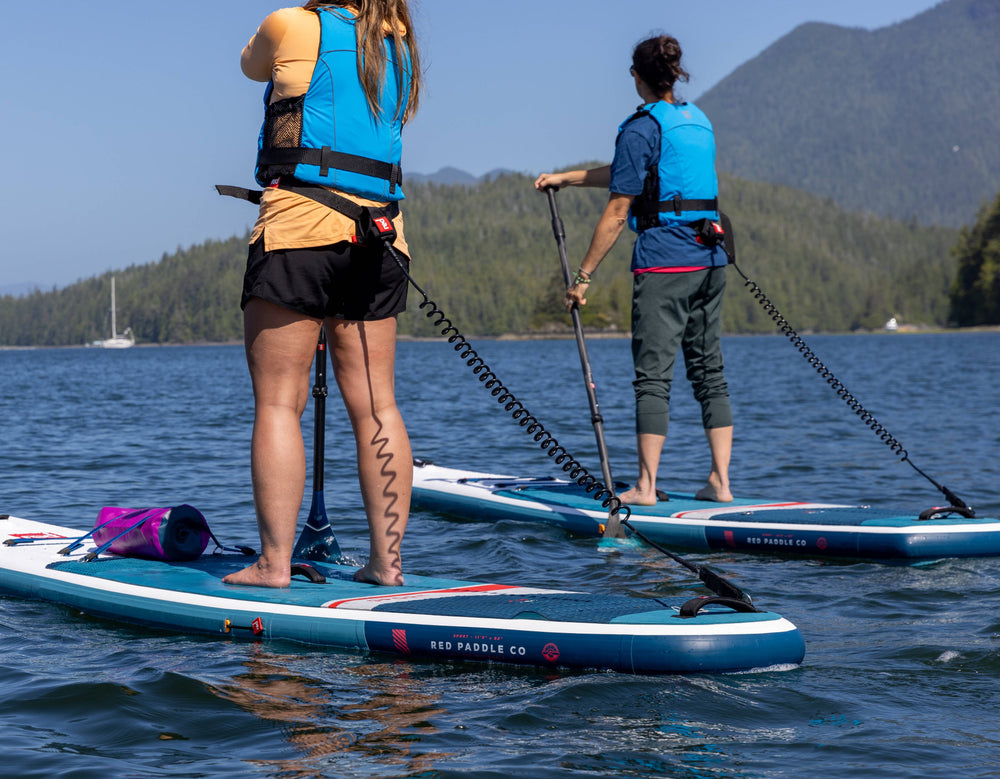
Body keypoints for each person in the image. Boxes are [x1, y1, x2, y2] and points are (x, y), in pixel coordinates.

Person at [223, 0, 422, 588]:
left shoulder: (291, 24)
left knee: (280, 404)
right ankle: (387, 566)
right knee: (378, 405)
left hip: (299, 228)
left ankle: (273, 564)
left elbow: (249, 66)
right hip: (380, 235)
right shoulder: (399, 43)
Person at [534, 34, 734, 506]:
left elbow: (619, 208)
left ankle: (645, 487)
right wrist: (567, 178)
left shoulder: (641, 126)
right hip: (711, 260)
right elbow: (634, 172)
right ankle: (721, 483)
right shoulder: (696, 120)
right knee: (709, 372)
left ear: (637, 76)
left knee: (652, 377)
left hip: (666, 263)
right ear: (675, 74)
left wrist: (582, 278)